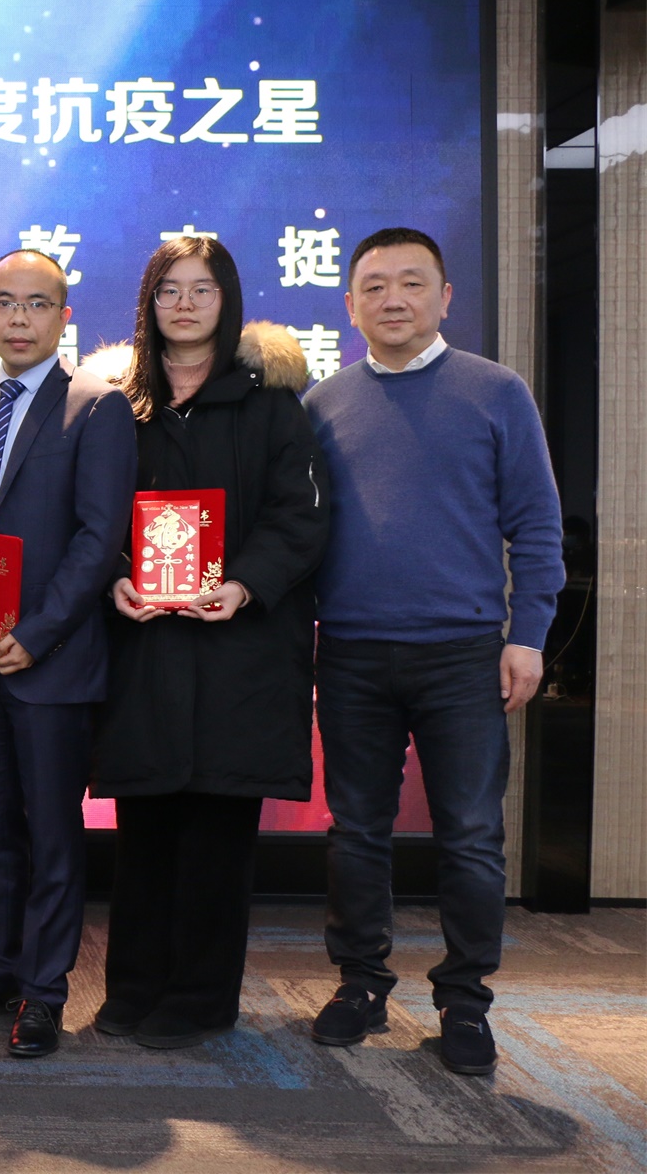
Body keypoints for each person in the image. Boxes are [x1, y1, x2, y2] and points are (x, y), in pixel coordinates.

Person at [303, 228, 563, 1076]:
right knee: (357, 832)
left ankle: (465, 999)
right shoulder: (323, 403)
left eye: (412, 283)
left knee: (472, 836)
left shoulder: (497, 392)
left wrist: (528, 636)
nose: (393, 299)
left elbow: (537, 526)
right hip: (350, 652)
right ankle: (360, 982)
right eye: (374, 286)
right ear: (350, 305)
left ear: (445, 297)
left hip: (463, 654)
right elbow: (301, 533)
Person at [88, 237, 329, 1049]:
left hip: (238, 648)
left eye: (203, 289)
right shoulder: (118, 408)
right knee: (146, 824)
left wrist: (245, 583)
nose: (185, 305)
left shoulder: (271, 407)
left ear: (228, 302)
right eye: (169, 290)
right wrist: (115, 575)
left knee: (216, 832)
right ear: (147, 305)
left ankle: (198, 999)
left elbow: (302, 518)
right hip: (145, 645)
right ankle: (133, 988)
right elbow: (89, 514)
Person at [0, 249, 136, 1057]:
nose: (19, 318)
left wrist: (38, 633)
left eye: (37, 303)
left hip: (53, 662)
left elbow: (98, 539)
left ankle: (44, 993)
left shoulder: (96, 407)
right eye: (4, 303)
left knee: (50, 835)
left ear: (64, 316)